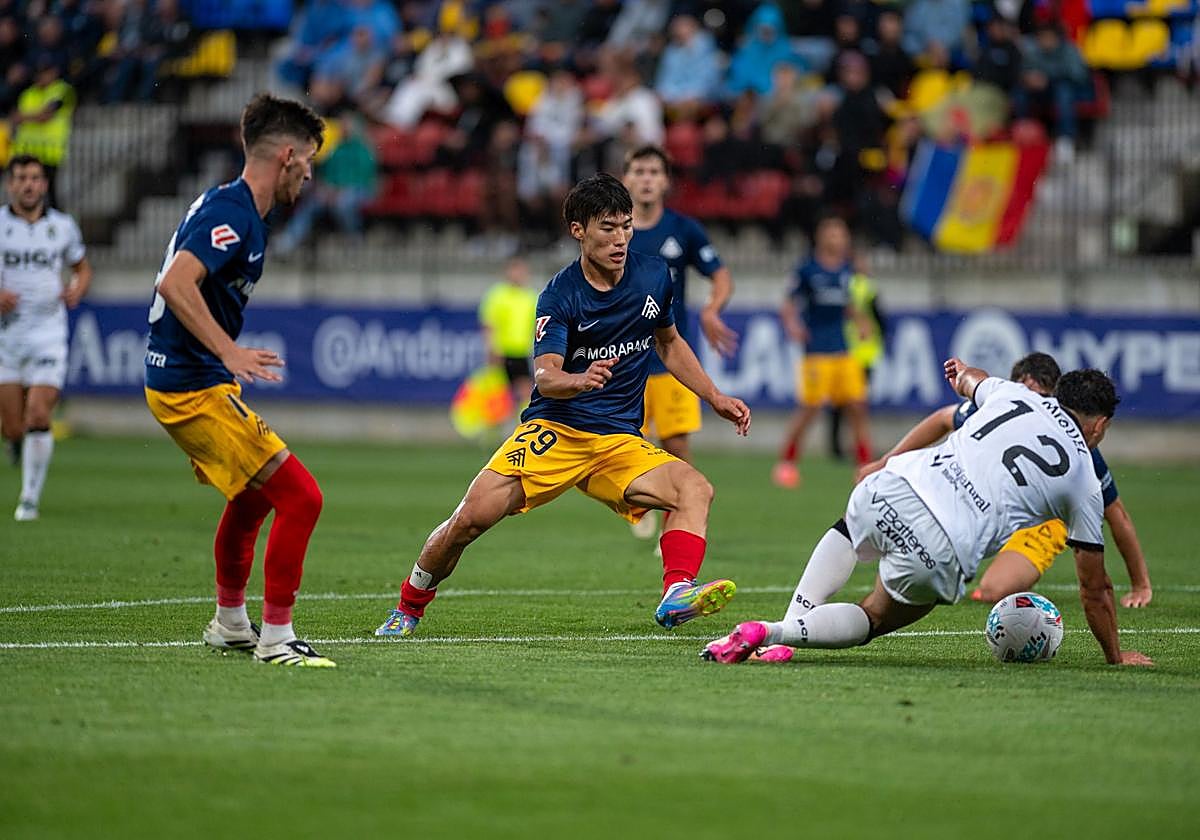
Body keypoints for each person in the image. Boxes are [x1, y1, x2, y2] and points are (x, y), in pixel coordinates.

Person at [375, 174, 752, 638]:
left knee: (695, 489)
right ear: (579, 230)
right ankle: (408, 607)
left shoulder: (654, 275)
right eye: (608, 228)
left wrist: (714, 396)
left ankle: (676, 593)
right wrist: (578, 380)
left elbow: (669, 343)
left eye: (626, 227)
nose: (620, 239)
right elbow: (545, 375)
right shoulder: (560, 295)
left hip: (617, 443)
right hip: (557, 433)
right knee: (468, 521)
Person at [703, 360, 1155, 668]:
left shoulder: (1014, 394)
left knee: (849, 527)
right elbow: (1094, 588)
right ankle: (775, 632)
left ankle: (783, 626)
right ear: (1099, 426)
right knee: (875, 616)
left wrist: (960, 373)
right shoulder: (1083, 477)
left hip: (896, 483)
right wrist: (1115, 655)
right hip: (944, 545)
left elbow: (974, 379)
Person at [144, 94, 334, 668]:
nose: (308, 171)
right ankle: (277, 639)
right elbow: (176, 283)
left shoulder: (236, 208)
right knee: (302, 497)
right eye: (307, 159)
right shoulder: (234, 214)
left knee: (252, 498)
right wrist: (228, 350)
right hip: (189, 386)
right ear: (284, 155)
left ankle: (231, 623)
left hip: (189, 381)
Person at [858, 352, 1153, 608]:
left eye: (1042, 396)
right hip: (984, 505)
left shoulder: (1080, 453)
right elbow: (943, 419)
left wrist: (1140, 585)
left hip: (1039, 523)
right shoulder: (1005, 406)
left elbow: (1117, 516)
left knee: (991, 592)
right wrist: (885, 462)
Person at [622, 144, 739, 540]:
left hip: (672, 357)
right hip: (623, 362)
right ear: (626, 179)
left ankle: (673, 530)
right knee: (626, 447)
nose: (646, 179)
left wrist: (711, 309)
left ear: (666, 181)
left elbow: (721, 276)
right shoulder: (613, 231)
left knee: (677, 448)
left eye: (654, 172)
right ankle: (643, 508)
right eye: (639, 171)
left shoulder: (683, 229)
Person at [0, 154, 91, 521]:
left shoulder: (63, 226)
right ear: (10, 184)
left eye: (35, 178)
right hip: (7, 334)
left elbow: (81, 267)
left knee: (39, 413)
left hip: (48, 331)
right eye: (21, 178)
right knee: (13, 424)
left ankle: (29, 500)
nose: (28, 184)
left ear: (45, 184)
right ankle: (14, 441)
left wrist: (77, 289)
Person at [773, 216, 873, 489]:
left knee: (857, 406)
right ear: (821, 237)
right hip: (816, 351)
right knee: (810, 408)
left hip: (842, 350)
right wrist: (793, 325)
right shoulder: (807, 270)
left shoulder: (846, 271)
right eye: (832, 234)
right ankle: (787, 462)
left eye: (841, 235)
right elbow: (788, 304)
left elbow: (849, 305)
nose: (838, 239)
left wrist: (861, 322)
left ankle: (865, 465)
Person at [478, 255, 538, 414]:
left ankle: (523, 424)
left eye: (522, 271)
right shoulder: (497, 295)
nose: (518, 274)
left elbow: (536, 327)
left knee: (525, 391)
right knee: (496, 393)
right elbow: (488, 325)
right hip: (501, 352)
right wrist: (491, 347)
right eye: (515, 270)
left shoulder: (531, 297)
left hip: (521, 352)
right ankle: (493, 428)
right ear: (508, 272)